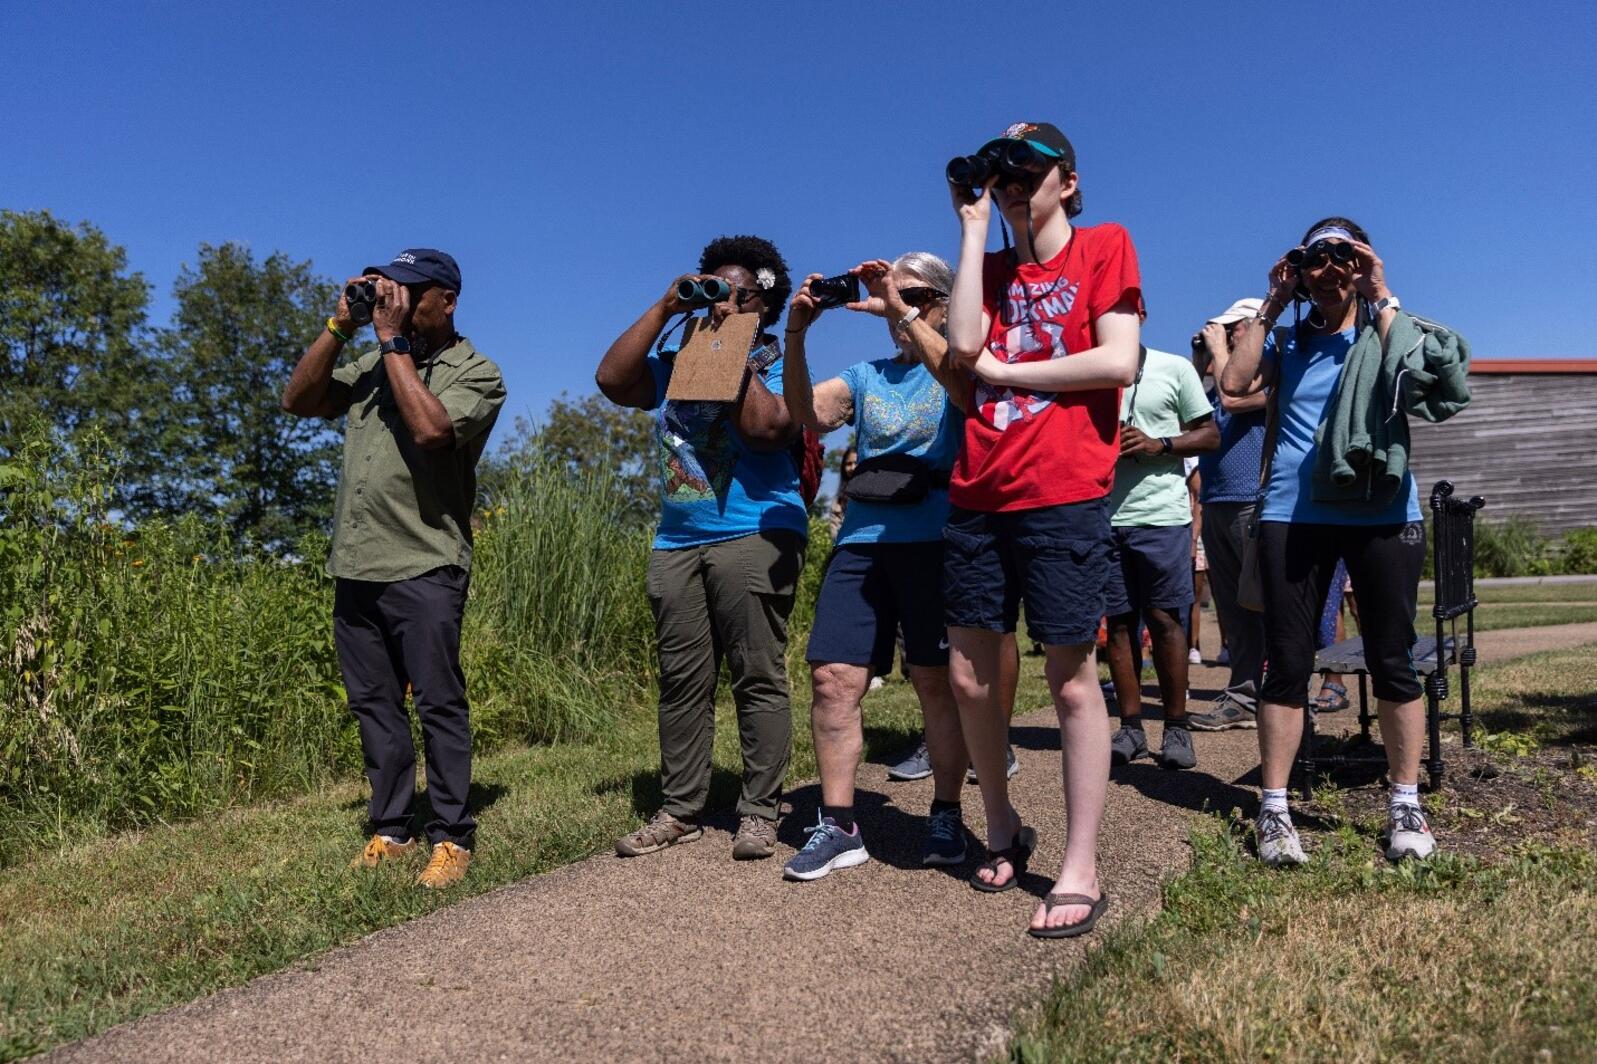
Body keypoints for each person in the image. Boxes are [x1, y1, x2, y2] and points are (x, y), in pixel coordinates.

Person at [1219, 216, 1470, 866]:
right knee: (1287, 660)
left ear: (1360, 261)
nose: (1328, 270)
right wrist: (1272, 301)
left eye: (1342, 256)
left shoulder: (1386, 326)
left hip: (1380, 510)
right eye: (1315, 259)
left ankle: (1403, 801)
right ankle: (1273, 809)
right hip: (1292, 514)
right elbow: (1233, 382)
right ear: (1299, 271)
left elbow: (1420, 374)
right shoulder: (1288, 339)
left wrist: (1379, 288)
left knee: (1392, 656)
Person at [945, 122, 1141, 938]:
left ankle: (1079, 865)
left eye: (1031, 169)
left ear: (1068, 178)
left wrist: (1006, 372)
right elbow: (960, 344)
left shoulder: (1105, 246)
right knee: (969, 679)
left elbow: (1115, 361)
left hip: (1061, 491)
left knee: (1068, 679)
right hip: (978, 491)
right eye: (1005, 171)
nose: (1016, 181)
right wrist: (973, 227)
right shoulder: (988, 267)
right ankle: (999, 822)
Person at [281, 248, 505, 889]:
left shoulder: (477, 372)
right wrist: (339, 328)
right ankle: (390, 828)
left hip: (426, 560)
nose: (394, 300)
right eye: (387, 290)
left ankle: (453, 836)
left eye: (408, 291)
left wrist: (389, 340)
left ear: (447, 299)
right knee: (374, 704)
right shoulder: (372, 359)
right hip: (357, 563)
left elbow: (434, 431)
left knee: (438, 702)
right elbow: (298, 401)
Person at [597, 235, 807, 862]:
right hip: (677, 538)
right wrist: (666, 308)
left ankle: (760, 812)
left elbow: (767, 431)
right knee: (681, 680)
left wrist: (733, 350)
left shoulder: (775, 358)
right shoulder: (678, 356)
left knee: (756, 675)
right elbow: (612, 380)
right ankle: (681, 807)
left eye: (732, 291)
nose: (717, 300)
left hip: (753, 532)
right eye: (708, 286)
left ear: (761, 304)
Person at [777, 252, 970, 879]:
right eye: (890, 293)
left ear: (943, 301)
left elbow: (964, 388)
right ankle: (838, 825)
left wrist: (903, 311)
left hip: (935, 540)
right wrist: (798, 333)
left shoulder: (958, 362)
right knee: (833, 678)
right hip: (862, 543)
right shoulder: (867, 374)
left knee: (936, 680)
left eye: (913, 293)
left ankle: (946, 810)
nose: (896, 304)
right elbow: (807, 415)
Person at [1103, 344, 1218, 771]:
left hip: (1162, 517)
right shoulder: (1090, 368)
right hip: (1102, 515)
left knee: (1166, 620)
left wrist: (1160, 443)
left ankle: (1176, 727)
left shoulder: (1174, 368)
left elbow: (1210, 435)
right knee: (1117, 623)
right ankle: (1130, 728)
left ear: (1142, 315)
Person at [1186, 300, 1270, 733]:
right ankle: (1242, 695)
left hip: (1255, 501)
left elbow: (1234, 398)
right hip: (1218, 502)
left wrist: (1220, 354)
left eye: (1232, 328)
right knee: (1234, 611)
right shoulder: (1216, 382)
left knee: (1265, 603)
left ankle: (1278, 696)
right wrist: (1200, 363)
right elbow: (1195, 419)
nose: (1225, 334)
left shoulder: (1271, 373)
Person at [1186, 459, 1206, 666]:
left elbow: (1199, 496)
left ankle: (1193, 644)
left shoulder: (1191, 461)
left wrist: (1193, 536)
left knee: (1194, 594)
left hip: (1190, 534)